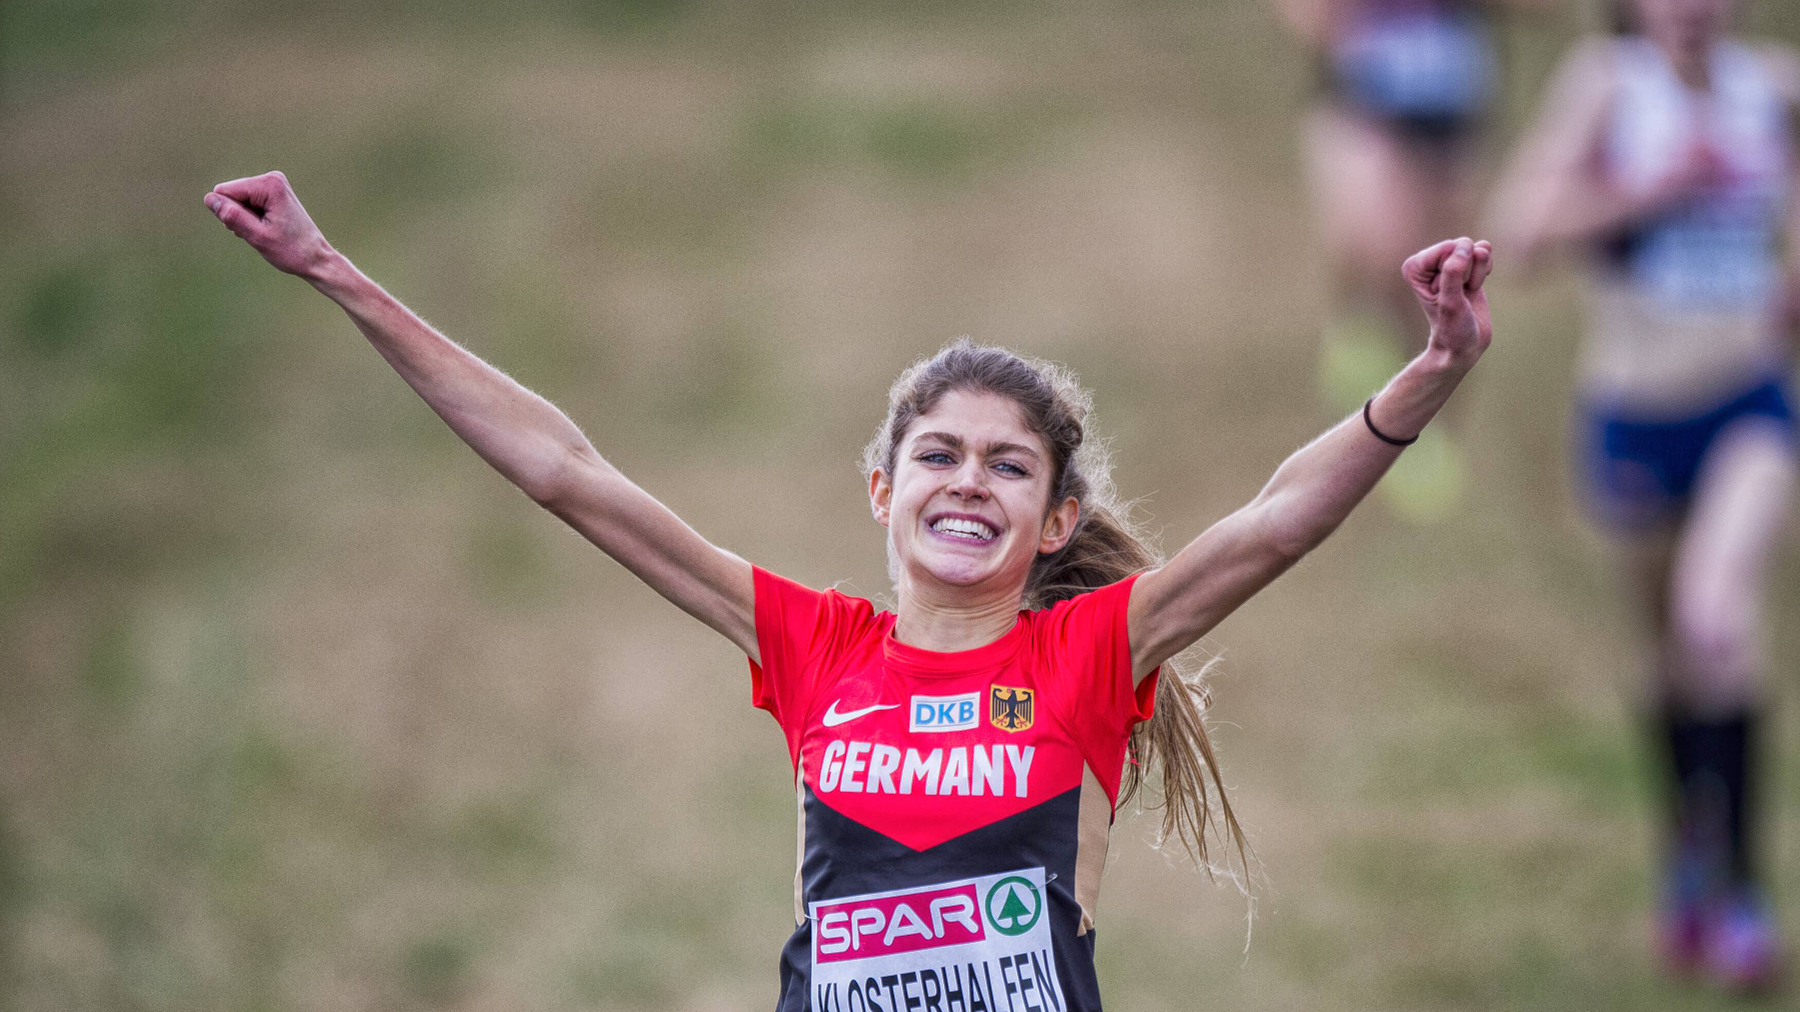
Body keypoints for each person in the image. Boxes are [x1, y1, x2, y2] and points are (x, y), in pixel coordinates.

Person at [204, 170, 1493, 1009]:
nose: (967, 483)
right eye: (937, 454)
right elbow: (567, 471)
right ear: (882, 489)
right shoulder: (814, 648)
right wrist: (332, 271)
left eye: (1008, 466)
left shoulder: (1095, 653)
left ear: (1057, 522)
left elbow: (1271, 525)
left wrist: (1431, 371)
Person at [1488, 0, 1798, 992]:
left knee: (1718, 618)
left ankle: (1747, 894)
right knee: (1667, 653)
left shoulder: (1777, 87)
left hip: (1752, 402)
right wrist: (1650, 190)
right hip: (1633, 411)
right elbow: (1521, 235)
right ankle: (1688, 857)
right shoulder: (1607, 88)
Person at [1275, 0, 1526, 519]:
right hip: (1368, 101)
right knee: (1388, 254)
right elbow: (1313, 21)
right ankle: (1364, 347)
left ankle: (1427, 433)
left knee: (1453, 285)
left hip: (1456, 107)